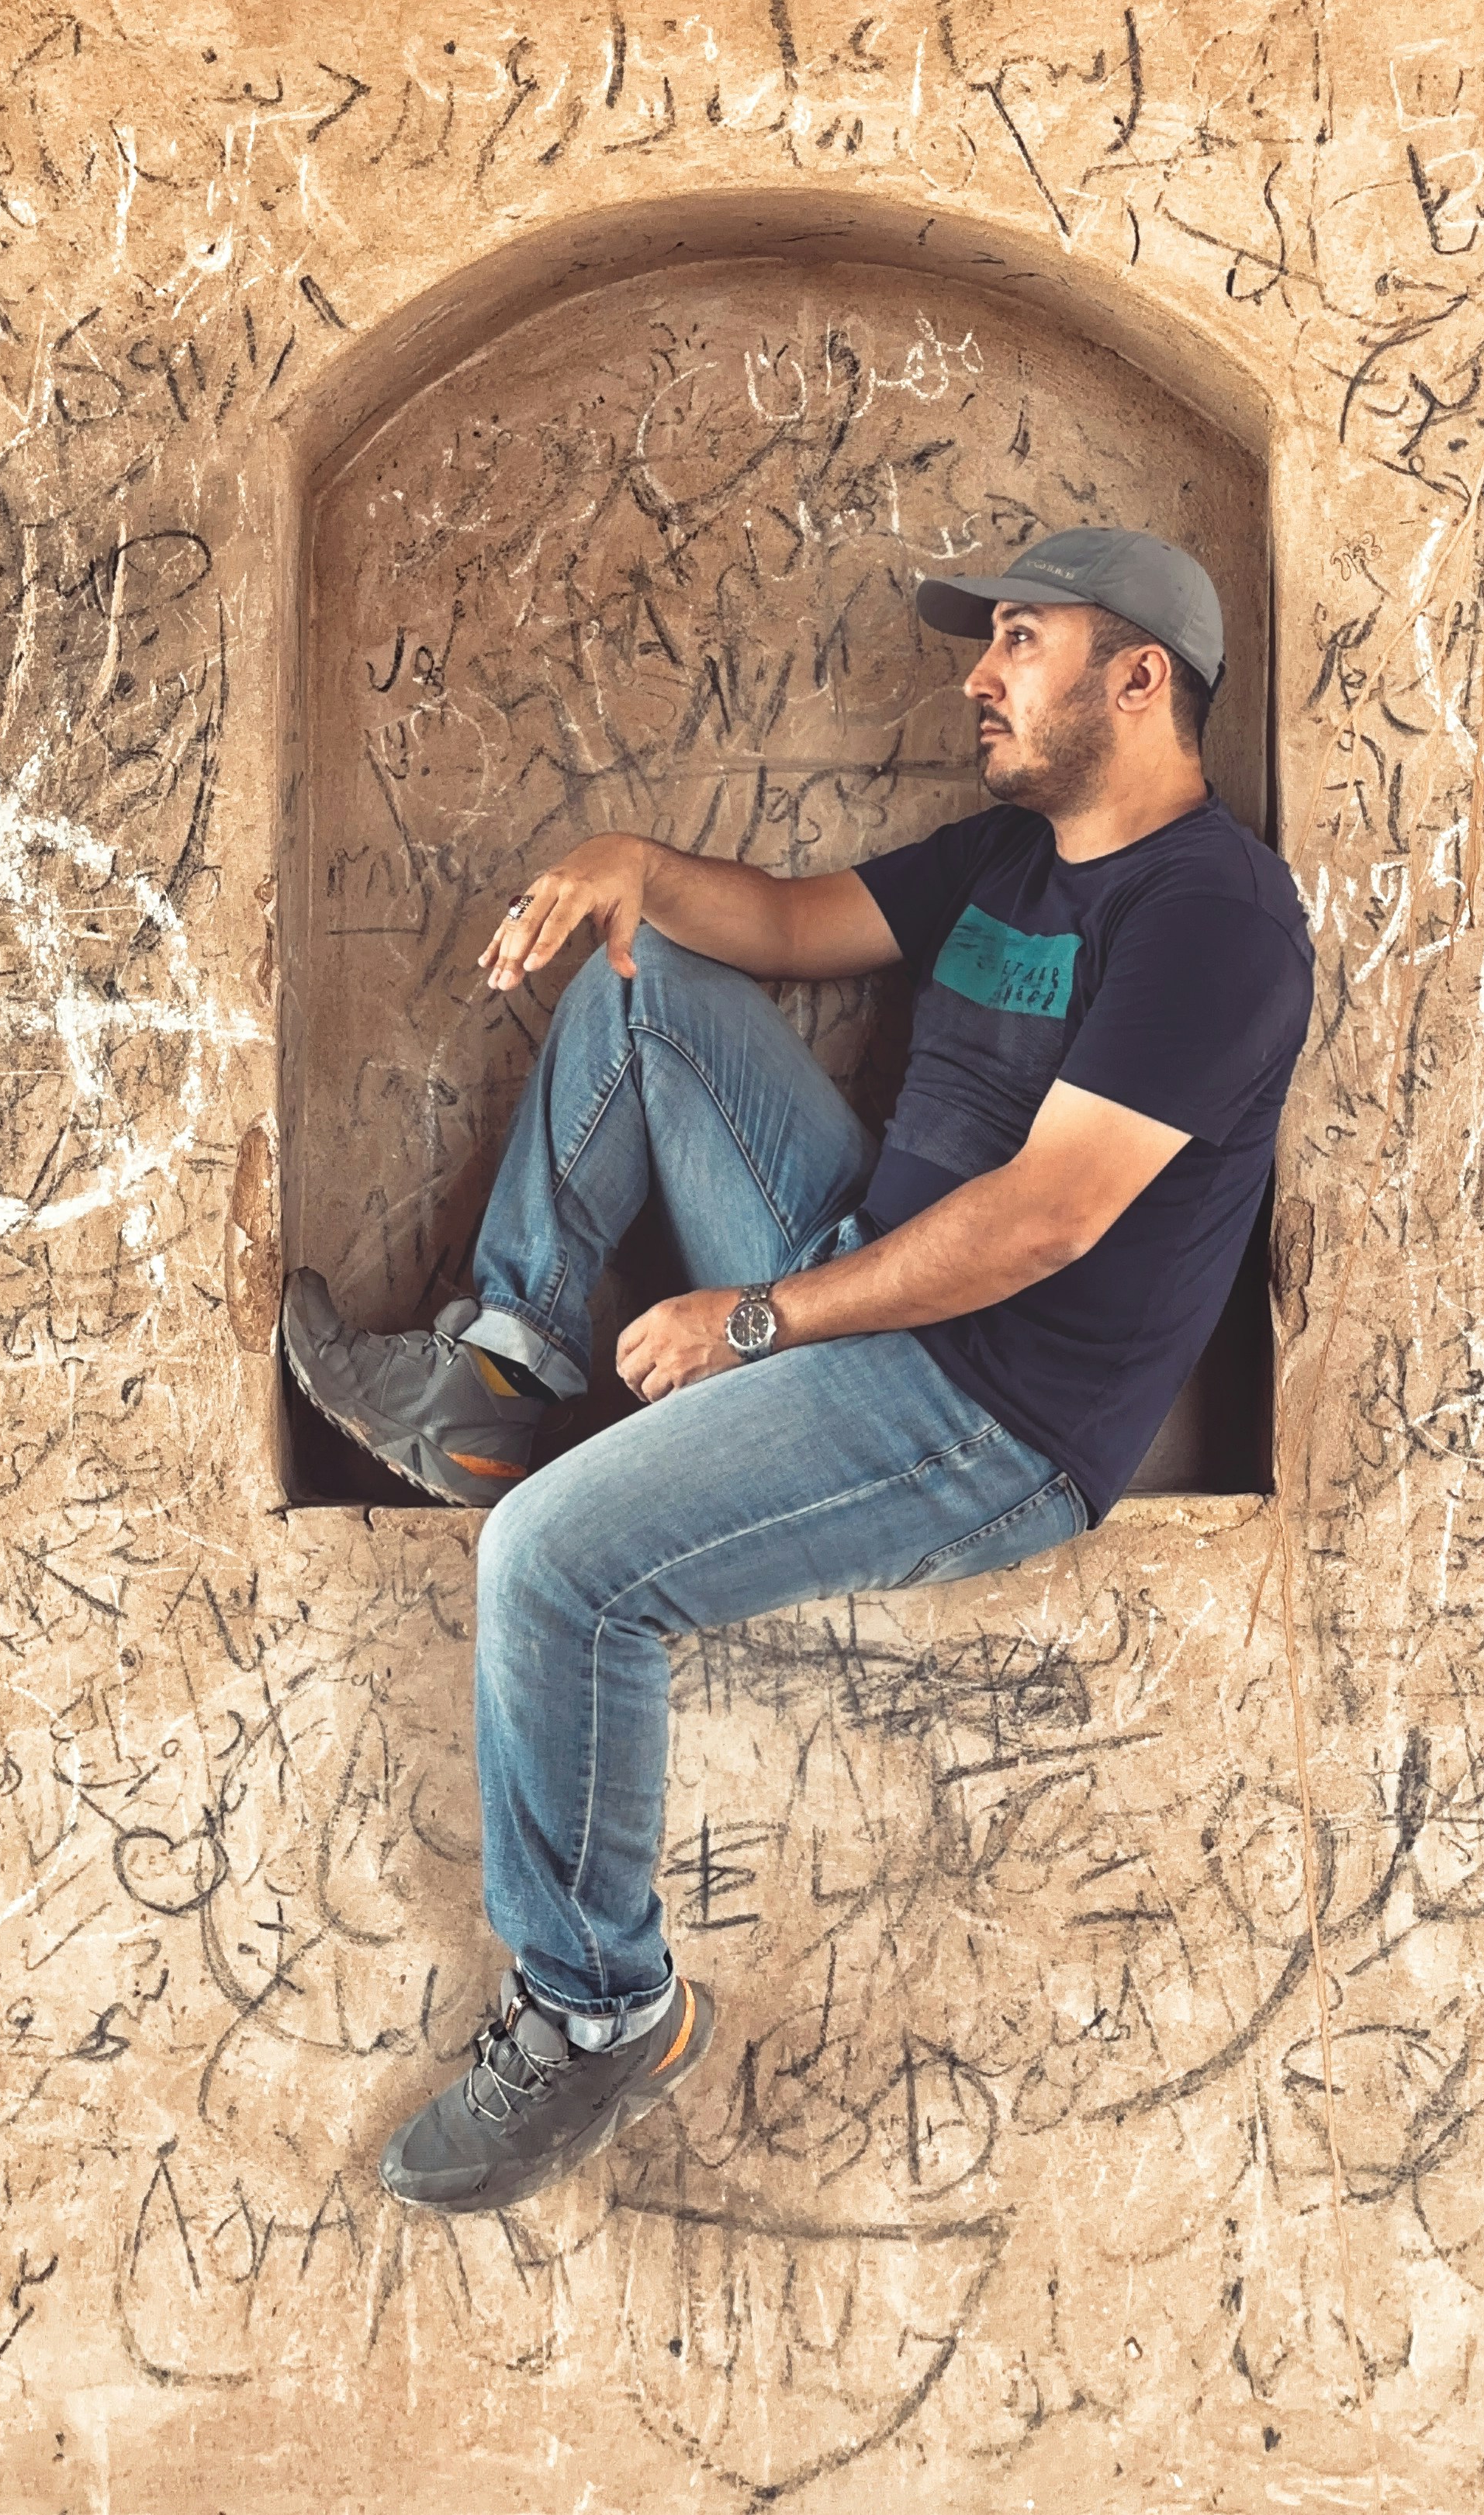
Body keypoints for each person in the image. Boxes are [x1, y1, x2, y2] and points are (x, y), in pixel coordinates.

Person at [282, 526, 1314, 2212]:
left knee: (558, 1568)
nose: (979, 676)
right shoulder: (1008, 858)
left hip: (988, 1409)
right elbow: (768, 923)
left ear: (1140, 679)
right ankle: (498, 1371)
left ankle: (598, 2006)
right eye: (986, 643)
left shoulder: (1215, 918)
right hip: (854, 1262)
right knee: (646, 982)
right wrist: (628, 860)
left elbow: (1049, 1222)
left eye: (1020, 642)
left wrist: (751, 1317)